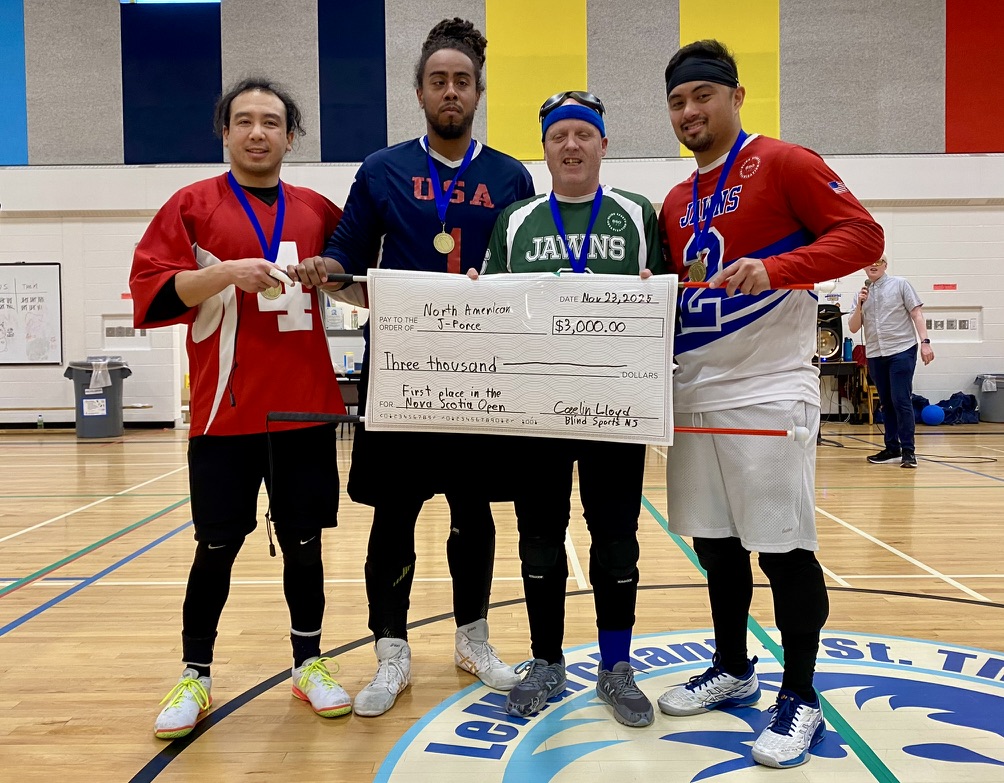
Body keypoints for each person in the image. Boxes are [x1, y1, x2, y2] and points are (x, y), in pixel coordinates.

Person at [657, 40, 885, 768]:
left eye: (702, 95)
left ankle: (802, 696)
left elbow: (863, 235)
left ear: (735, 96)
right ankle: (733, 666)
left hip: (767, 383)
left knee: (784, 547)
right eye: (677, 101)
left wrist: (778, 267)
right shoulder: (674, 199)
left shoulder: (786, 161)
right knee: (716, 543)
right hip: (696, 385)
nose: (690, 111)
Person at [303, 18, 535, 717]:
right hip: (403, 373)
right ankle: (391, 649)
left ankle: (473, 639)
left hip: (482, 380)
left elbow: (527, 269)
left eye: (462, 81)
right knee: (395, 515)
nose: (451, 91)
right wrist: (328, 270)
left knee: (475, 511)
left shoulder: (509, 174)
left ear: (479, 90)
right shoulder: (382, 170)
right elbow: (347, 250)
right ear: (419, 92)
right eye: (439, 81)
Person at [129, 78, 352, 739]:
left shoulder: (317, 208)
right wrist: (227, 271)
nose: (259, 132)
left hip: (305, 410)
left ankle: (309, 662)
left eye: (272, 121)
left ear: (292, 135)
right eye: (245, 120)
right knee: (216, 546)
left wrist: (333, 276)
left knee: (306, 544)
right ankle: (195, 672)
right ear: (224, 132)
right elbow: (153, 292)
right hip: (225, 414)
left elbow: (361, 286)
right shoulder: (192, 206)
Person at [474, 92, 664, 727]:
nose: (573, 145)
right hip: (537, 416)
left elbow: (668, 303)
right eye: (561, 136)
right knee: (538, 542)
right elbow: (494, 317)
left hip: (616, 411)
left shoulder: (639, 216)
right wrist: (479, 297)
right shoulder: (517, 219)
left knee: (617, 542)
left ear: (604, 145)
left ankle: (616, 666)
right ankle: (548, 662)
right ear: (546, 148)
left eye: (585, 134)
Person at [848, 254, 934, 468]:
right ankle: (891, 447)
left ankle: (908, 451)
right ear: (864, 267)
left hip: (901, 350)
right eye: (869, 263)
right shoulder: (861, 294)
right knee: (886, 403)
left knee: (900, 400)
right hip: (876, 353)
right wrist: (860, 304)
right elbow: (853, 327)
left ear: (885, 265)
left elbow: (917, 314)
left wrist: (925, 342)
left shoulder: (900, 284)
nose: (873, 266)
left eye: (878, 262)